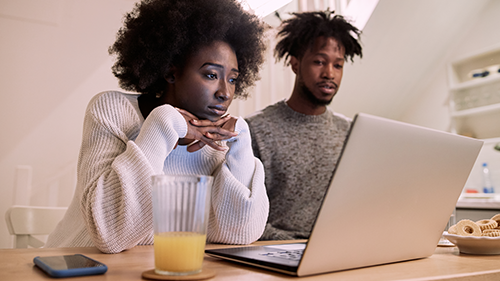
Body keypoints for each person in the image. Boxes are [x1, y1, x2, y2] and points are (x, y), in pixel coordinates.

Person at [46, 0, 269, 254]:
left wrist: (240, 146)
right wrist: (166, 123)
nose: (225, 93)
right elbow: (109, 234)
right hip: (76, 266)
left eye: (232, 79)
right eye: (211, 75)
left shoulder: (218, 141)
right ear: (171, 73)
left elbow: (238, 234)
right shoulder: (113, 110)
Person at [245, 10, 362, 240]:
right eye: (319, 62)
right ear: (295, 64)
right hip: (276, 255)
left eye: (338, 65)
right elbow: (245, 217)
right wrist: (301, 248)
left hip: (339, 250)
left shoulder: (350, 132)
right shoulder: (255, 130)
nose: (329, 73)